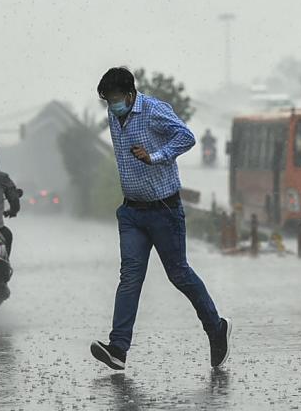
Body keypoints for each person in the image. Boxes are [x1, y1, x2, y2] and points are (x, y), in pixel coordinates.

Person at [90, 67, 232, 371]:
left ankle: (216, 328)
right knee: (129, 278)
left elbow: (187, 137)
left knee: (179, 274)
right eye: (107, 101)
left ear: (130, 95)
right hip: (131, 212)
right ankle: (118, 348)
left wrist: (155, 155)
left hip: (164, 211)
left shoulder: (154, 111)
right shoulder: (114, 116)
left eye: (115, 99)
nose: (112, 106)